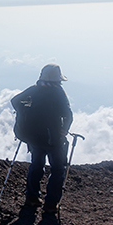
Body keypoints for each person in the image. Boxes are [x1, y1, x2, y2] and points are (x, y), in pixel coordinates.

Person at [11, 63, 73, 213]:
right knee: (58, 169)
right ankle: (51, 204)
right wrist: (64, 129)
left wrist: (29, 106)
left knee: (36, 166)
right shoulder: (58, 93)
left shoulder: (34, 90)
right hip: (54, 139)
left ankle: (32, 198)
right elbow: (68, 115)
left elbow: (16, 101)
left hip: (34, 137)